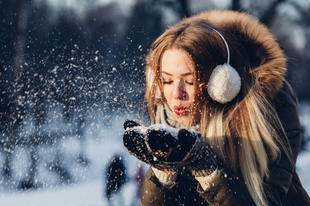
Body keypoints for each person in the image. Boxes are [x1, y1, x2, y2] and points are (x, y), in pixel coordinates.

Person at [122, 10, 310, 206]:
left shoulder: (271, 114)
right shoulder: (168, 118)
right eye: (167, 81)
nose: (177, 94)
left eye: (189, 80)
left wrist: (207, 170)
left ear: (221, 83)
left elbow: (267, 201)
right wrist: (164, 172)